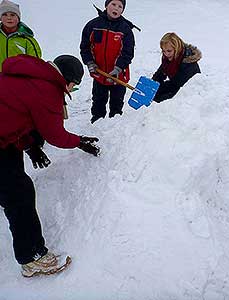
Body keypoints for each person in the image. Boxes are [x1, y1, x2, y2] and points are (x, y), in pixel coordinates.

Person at [0, 54, 101, 277]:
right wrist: (79, 141)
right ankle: (31, 258)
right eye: (74, 86)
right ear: (68, 78)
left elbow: (13, 113)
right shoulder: (47, 89)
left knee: (14, 189)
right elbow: (55, 135)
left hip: (6, 140)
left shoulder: (29, 74)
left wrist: (29, 146)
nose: (71, 90)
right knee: (20, 197)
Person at [80, 0, 135, 124]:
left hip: (119, 76)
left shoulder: (125, 30)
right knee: (98, 101)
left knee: (116, 103)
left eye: (120, 6)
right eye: (113, 4)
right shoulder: (93, 26)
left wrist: (118, 68)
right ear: (106, 6)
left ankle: (115, 126)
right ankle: (97, 124)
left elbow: (128, 53)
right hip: (99, 75)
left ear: (123, 10)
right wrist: (89, 62)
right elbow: (85, 47)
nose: (116, 8)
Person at [152, 32, 201, 103]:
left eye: (169, 51)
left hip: (190, 95)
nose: (166, 54)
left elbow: (176, 85)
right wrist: (151, 86)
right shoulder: (169, 58)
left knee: (157, 99)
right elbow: (160, 74)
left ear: (177, 48)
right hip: (175, 86)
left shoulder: (188, 63)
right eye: (163, 51)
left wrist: (156, 95)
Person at [0, 0, 41, 71]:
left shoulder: (27, 40)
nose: (9, 18)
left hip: (20, 79)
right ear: (0, 18)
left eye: (12, 15)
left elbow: (36, 64)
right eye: (5, 14)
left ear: (18, 18)